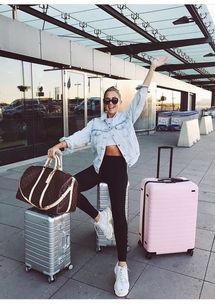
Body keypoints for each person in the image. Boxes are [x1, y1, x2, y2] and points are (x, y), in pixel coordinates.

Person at [47, 56, 168, 297]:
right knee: (69, 188)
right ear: (104, 103)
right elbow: (78, 137)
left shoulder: (126, 117)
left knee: (121, 217)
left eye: (114, 100)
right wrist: (58, 146)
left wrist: (152, 68)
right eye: (107, 101)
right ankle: (99, 217)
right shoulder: (96, 124)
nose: (110, 103)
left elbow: (141, 95)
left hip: (119, 169)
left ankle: (121, 266)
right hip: (100, 166)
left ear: (119, 102)